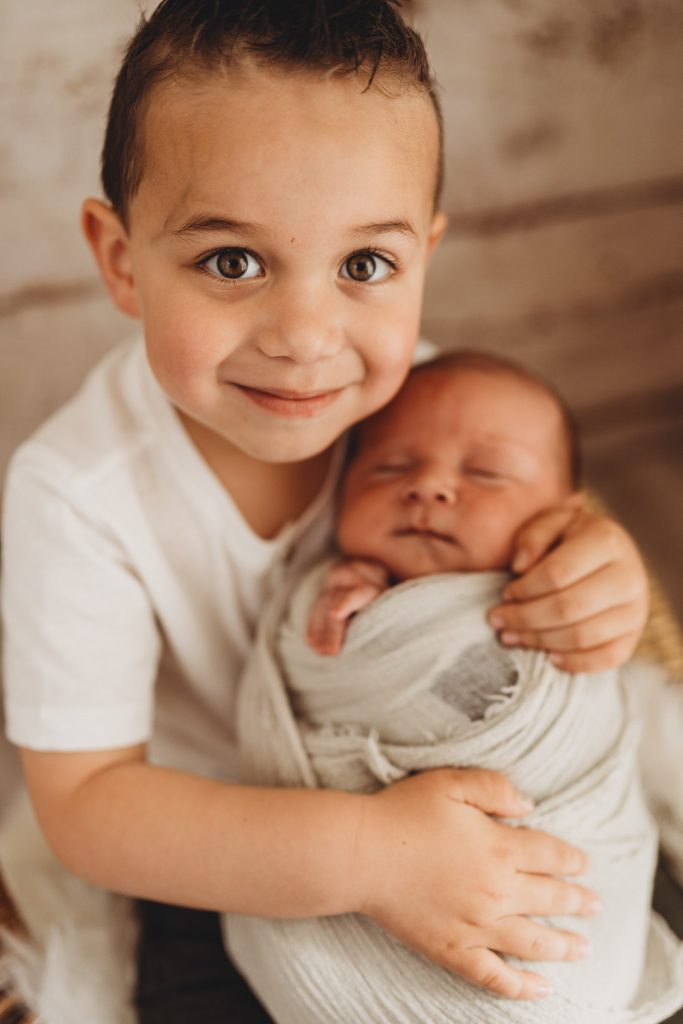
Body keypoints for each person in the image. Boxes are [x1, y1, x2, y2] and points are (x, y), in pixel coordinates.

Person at [0, 2, 651, 1021]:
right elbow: (86, 806)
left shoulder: (428, 415)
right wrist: (368, 855)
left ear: (423, 256)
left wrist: (596, 570)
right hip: (224, 843)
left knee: (613, 942)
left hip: (447, 770)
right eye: (230, 261)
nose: (306, 337)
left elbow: (542, 526)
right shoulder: (75, 494)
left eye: (363, 266)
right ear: (122, 260)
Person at [226, 351, 683, 1022]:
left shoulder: (556, 600)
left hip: (554, 892)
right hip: (363, 897)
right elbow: (307, 676)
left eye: (485, 473)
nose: (430, 487)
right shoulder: (322, 590)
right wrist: (357, 620)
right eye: (389, 467)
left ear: (562, 516)